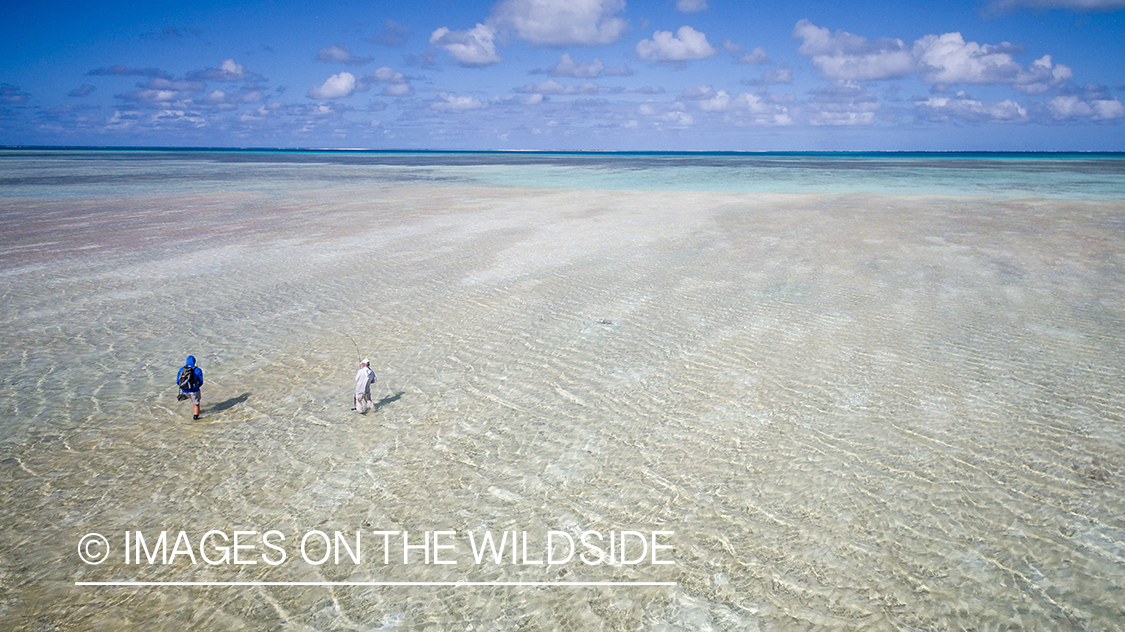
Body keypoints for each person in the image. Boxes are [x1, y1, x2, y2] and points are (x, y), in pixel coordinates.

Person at [177, 355, 204, 420]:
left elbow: (178, 381)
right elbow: (201, 381)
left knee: (193, 401)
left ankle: (196, 410)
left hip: (184, 390)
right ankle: (196, 417)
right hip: (194, 390)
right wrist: (197, 387)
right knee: (196, 404)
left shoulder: (182, 369)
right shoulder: (198, 370)